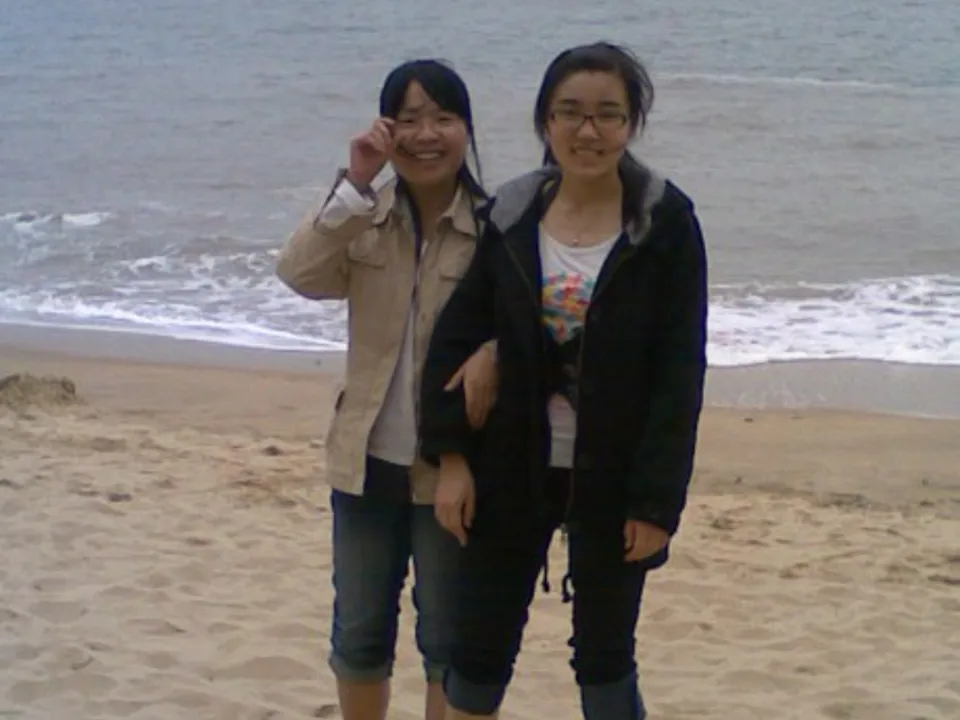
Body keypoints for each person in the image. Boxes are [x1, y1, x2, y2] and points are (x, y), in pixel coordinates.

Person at [418, 42, 709, 720]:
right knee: (478, 653)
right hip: (510, 464)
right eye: (570, 112)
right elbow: (455, 340)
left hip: (613, 475)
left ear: (631, 123)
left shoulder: (664, 225)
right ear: (545, 122)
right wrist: (452, 459)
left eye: (608, 114)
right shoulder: (512, 216)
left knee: (605, 660)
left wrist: (655, 504)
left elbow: (678, 375)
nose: (588, 131)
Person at [276, 59, 499, 720]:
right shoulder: (364, 216)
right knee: (359, 634)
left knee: (446, 641)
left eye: (443, 118)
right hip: (364, 460)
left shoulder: (496, 228)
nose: (426, 135)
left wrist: (496, 351)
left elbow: (527, 332)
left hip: (453, 471)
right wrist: (357, 180)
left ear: (467, 129)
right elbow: (299, 273)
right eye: (408, 120)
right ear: (386, 129)